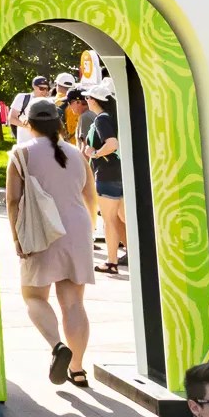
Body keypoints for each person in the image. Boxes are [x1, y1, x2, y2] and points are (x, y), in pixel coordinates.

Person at [6, 97, 94, 388]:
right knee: (73, 303)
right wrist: (88, 232)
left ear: (29, 124)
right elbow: (89, 196)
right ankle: (78, 369)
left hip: (41, 232)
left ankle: (57, 346)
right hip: (77, 230)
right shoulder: (77, 154)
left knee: (34, 296)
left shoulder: (21, 153)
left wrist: (17, 237)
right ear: (58, 122)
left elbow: (12, 201)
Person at [81, 82, 125, 275]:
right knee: (123, 217)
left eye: (88, 98)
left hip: (107, 175)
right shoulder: (115, 117)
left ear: (94, 100)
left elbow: (112, 143)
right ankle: (140, 255)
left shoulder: (101, 120)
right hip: (122, 173)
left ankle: (111, 261)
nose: (86, 101)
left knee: (110, 220)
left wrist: (95, 153)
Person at [8, 75, 53, 143]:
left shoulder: (49, 102)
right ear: (34, 87)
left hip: (43, 145)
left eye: (47, 89)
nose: (44, 91)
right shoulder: (23, 98)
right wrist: (30, 126)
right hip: (25, 144)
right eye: (41, 88)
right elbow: (11, 119)